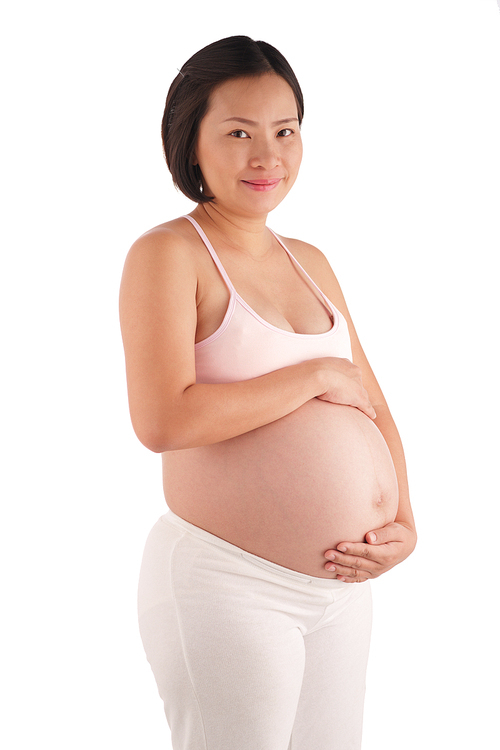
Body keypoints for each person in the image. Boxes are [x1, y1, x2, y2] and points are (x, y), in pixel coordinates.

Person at [119, 35, 416, 750]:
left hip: (341, 592)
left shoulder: (309, 260)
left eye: (285, 131)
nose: (268, 157)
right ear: (193, 144)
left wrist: (404, 522)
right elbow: (163, 419)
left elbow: (372, 406)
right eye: (239, 133)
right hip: (229, 583)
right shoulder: (169, 253)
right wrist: (309, 376)